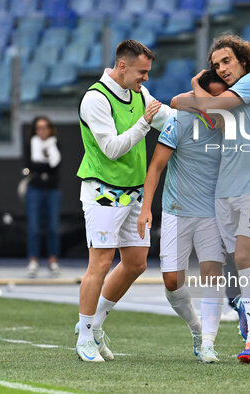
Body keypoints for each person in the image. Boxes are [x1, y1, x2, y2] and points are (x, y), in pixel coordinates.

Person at [177, 34, 250, 363]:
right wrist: (201, 93)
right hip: (225, 192)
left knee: (249, 257)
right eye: (215, 65)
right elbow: (179, 102)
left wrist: (198, 83)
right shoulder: (228, 103)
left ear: (245, 62)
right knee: (243, 264)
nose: (221, 68)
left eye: (227, 61)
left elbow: (202, 103)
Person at [75, 40, 173, 362]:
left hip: (133, 193)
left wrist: (204, 117)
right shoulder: (95, 99)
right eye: (141, 72)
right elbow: (113, 149)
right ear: (122, 66)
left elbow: (169, 120)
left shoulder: (139, 94)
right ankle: (84, 336)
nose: (145, 79)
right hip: (102, 192)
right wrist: (145, 122)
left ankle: (96, 324)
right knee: (100, 264)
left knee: (135, 263)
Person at [137, 70, 228, 363]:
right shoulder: (179, 119)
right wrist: (145, 207)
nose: (216, 100)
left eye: (221, 95)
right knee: (172, 281)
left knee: (212, 276)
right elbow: (156, 168)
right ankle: (196, 328)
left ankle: (210, 344)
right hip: (177, 210)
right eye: (209, 94)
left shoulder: (233, 123)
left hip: (212, 213)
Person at [24, 116, 62, 277]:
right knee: (34, 227)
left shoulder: (55, 143)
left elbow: (56, 166)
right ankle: (33, 260)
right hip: (35, 190)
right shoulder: (30, 144)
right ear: (35, 130)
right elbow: (29, 165)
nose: (42, 131)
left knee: (53, 227)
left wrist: (39, 168)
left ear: (50, 129)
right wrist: (43, 168)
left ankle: (53, 260)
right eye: (39, 128)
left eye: (45, 127)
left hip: (52, 190)